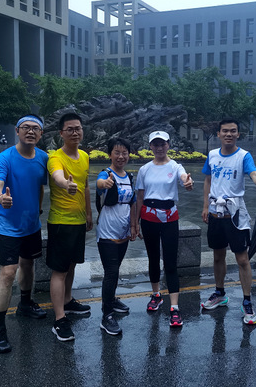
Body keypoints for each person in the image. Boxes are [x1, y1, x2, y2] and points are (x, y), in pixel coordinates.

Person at [0, 114, 48, 354]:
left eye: (35, 128)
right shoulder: (5, 157)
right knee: (7, 273)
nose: (30, 131)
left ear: (41, 134)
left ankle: (25, 304)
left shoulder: (43, 158)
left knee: (28, 264)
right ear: (17, 130)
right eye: (26, 127)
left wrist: (38, 210)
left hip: (31, 225)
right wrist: (0, 198)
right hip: (8, 226)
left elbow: (41, 186)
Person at [201, 118, 256, 325]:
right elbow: (208, 180)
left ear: (238, 134)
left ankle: (247, 301)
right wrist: (205, 206)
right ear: (218, 134)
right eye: (225, 131)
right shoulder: (212, 155)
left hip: (236, 215)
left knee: (242, 259)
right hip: (216, 214)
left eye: (233, 131)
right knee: (218, 256)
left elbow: (253, 172)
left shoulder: (243, 156)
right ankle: (220, 293)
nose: (229, 134)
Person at [134, 130, 194, 327]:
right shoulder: (144, 169)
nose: (159, 148)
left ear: (168, 144)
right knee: (153, 258)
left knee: (170, 262)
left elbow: (184, 177)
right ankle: (156, 294)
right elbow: (140, 197)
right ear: (150, 146)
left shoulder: (175, 166)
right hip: (148, 217)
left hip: (169, 217)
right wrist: (135, 222)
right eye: (155, 144)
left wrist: (187, 181)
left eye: (163, 144)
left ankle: (174, 307)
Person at [47, 112, 93, 342]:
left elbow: (85, 186)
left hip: (78, 221)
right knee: (60, 270)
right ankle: (59, 319)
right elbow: (57, 177)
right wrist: (66, 184)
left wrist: (89, 213)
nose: (75, 132)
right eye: (70, 129)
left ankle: (67, 300)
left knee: (72, 264)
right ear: (61, 133)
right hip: (61, 222)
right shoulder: (55, 157)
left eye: (78, 128)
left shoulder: (84, 156)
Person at [96, 138, 137, 335]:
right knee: (111, 272)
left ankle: (111, 299)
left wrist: (134, 225)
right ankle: (107, 315)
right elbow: (99, 183)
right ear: (110, 154)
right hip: (107, 231)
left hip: (123, 231)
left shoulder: (129, 176)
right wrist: (104, 183)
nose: (121, 156)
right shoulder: (107, 173)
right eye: (117, 152)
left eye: (124, 153)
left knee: (115, 269)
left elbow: (133, 202)